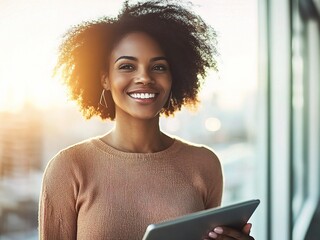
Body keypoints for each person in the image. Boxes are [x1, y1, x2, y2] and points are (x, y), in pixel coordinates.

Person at [38, 0, 254, 239]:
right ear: (105, 79)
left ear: (175, 77)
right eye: (127, 66)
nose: (144, 77)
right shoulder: (69, 167)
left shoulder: (204, 164)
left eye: (159, 67)